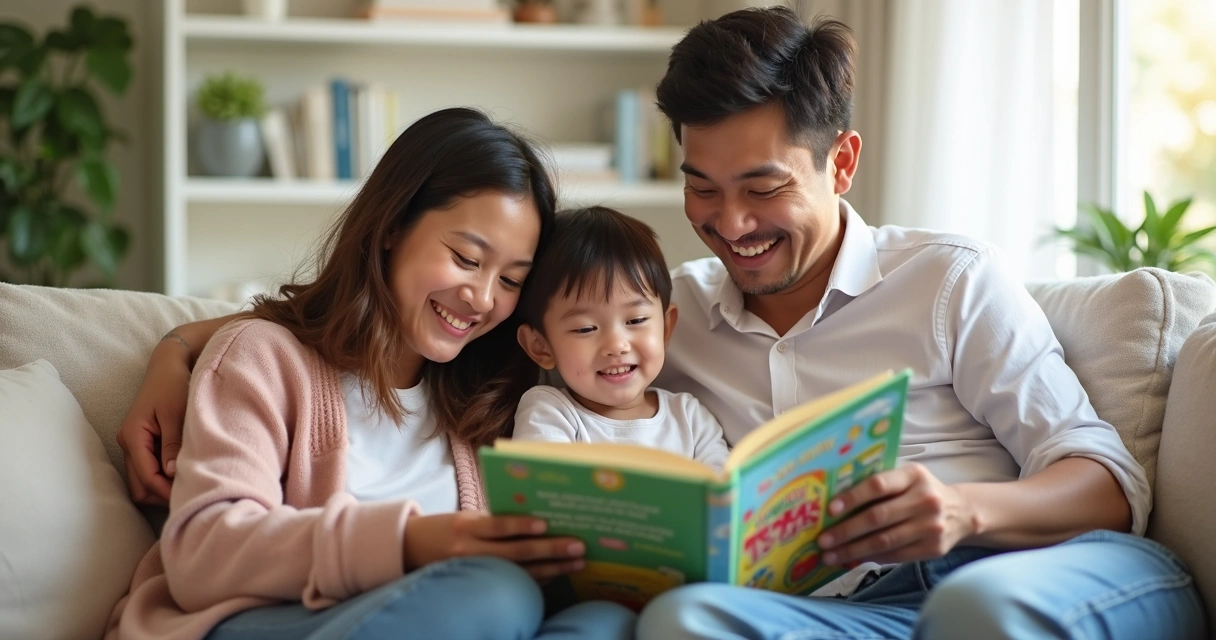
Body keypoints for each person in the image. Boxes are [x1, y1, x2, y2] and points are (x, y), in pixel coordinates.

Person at [119, 9, 1207, 640]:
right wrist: (184, 345)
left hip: (1027, 559)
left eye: (762, 186)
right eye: (700, 185)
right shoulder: (650, 316)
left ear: (842, 161)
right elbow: (370, 331)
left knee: (976, 613)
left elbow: (1105, 475)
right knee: (673, 625)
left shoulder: (948, 280)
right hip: (838, 608)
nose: (730, 223)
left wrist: (964, 508)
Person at [106, 108, 634, 640]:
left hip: (443, 618)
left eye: (512, 280)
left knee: (602, 621)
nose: (483, 297)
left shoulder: (495, 399)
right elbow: (204, 554)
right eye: (465, 258)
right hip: (251, 623)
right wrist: (408, 542)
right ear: (391, 227)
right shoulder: (264, 357)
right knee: (495, 594)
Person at [511, 206, 729, 470]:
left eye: (635, 321)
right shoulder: (550, 413)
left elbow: (724, 492)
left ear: (665, 329)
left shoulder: (691, 419)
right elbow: (544, 492)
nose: (616, 345)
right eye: (585, 328)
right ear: (540, 347)